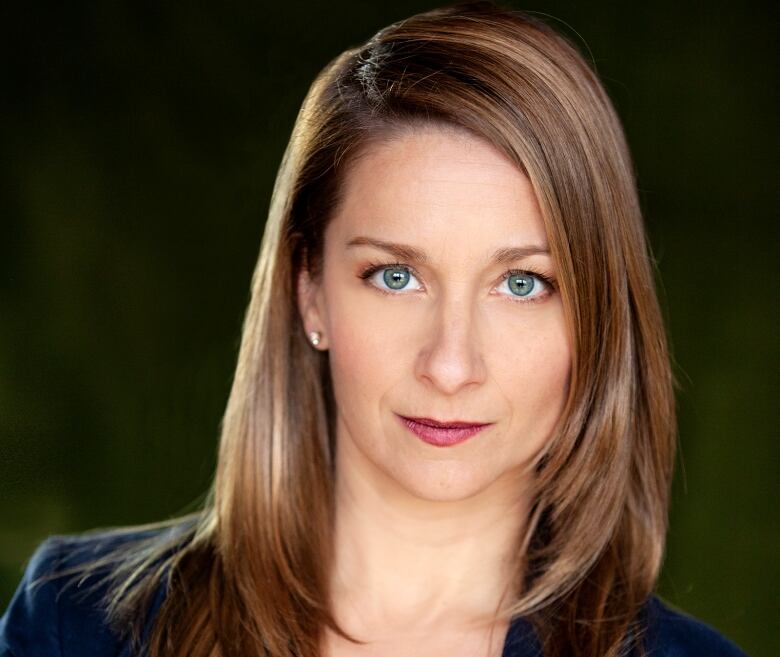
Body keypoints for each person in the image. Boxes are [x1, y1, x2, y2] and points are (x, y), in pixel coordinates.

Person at [0, 2, 748, 656]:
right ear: (311, 292)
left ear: (595, 322)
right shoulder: (79, 626)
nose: (451, 364)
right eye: (397, 275)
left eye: (523, 283)